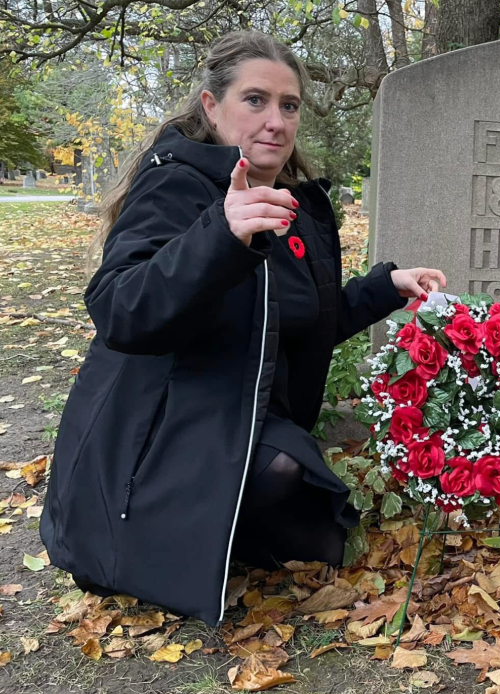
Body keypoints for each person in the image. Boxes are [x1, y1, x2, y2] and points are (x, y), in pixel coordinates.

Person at [39, 30, 446, 626]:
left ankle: (228, 530)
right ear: (212, 106)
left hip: (238, 414)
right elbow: (119, 309)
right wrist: (219, 236)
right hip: (154, 435)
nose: (275, 121)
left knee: (296, 473)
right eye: (255, 100)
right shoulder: (178, 184)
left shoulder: (292, 206)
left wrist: (386, 287)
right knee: (289, 467)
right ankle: (161, 542)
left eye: (289, 104)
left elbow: (299, 323)